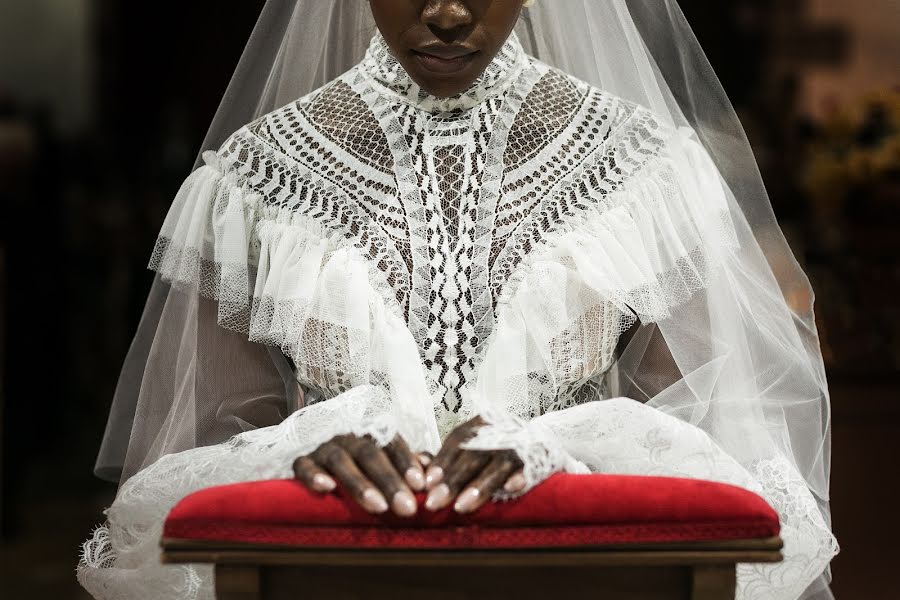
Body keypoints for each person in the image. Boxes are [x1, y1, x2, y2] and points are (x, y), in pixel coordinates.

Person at [77, 2, 839, 599]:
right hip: (331, 578)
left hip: (586, 581)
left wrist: (565, 455)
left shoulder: (642, 167)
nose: (445, 12)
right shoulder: (256, 178)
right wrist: (303, 453)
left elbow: (718, 441)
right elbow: (198, 454)